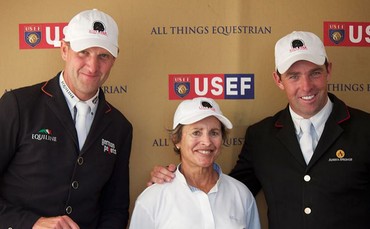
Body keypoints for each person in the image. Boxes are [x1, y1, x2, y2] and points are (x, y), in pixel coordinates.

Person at [148, 31, 370, 228]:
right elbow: (228, 193)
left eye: (315, 73)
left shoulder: (365, 128)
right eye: (293, 76)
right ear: (278, 79)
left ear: (328, 70)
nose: (306, 86)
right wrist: (176, 182)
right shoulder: (261, 136)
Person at [0, 9, 132, 229]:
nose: (92, 66)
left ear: (114, 58)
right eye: (84, 52)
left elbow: (115, 209)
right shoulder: (18, 105)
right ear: (64, 49)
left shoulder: (120, 127)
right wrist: (32, 223)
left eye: (103, 56)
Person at [130, 97, 260, 229]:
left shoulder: (241, 195)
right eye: (196, 132)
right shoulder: (152, 199)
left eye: (214, 133)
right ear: (177, 140)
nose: (207, 141)